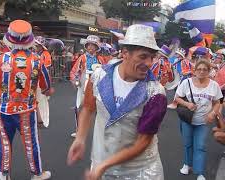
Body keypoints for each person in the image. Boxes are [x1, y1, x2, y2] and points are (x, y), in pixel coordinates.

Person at [67, 24, 167, 180]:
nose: (149, 63)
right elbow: (88, 107)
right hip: (101, 164)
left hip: (139, 172)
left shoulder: (155, 93)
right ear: (125, 53)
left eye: (152, 57)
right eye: (143, 56)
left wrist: (105, 165)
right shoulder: (100, 76)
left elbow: (143, 142)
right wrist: (80, 138)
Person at [0, 20, 54, 180]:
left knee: (4, 141)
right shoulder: (37, 61)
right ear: (30, 39)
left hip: (4, 109)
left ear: (9, 39)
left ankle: (4, 173)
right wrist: (45, 90)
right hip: (27, 110)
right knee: (31, 143)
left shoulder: (2, 59)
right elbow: (46, 85)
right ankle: (37, 173)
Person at [175, 60, 223, 180]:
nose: (202, 71)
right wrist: (187, 104)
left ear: (209, 71)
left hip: (203, 122)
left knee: (200, 146)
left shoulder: (214, 85)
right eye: (199, 69)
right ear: (195, 71)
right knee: (187, 144)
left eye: (205, 69)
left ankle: (199, 171)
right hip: (187, 120)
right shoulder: (187, 82)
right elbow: (177, 98)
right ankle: (187, 164)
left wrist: (213, 113)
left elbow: (218, 102)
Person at [69, 35, 105, 138]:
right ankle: (78, 130)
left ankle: (101, 130)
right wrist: (75, 80)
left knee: (99, 108)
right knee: (79, 106)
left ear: (96, 47)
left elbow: (105, 72)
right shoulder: (82, 57)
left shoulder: (100, 59)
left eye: (93, 46)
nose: (90, 47)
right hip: (84, 84)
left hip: (97, 85)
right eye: (89, 45)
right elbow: (75, 70)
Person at [34, 36, 52, 128]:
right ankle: (35, 118)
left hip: (41, 79)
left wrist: (48, 85)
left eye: (37, 45)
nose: (35, 46)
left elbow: (46, 70)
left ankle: (43, 119)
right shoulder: (34, 54)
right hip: (34, 79)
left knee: (42, 100)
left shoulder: (46, 54)